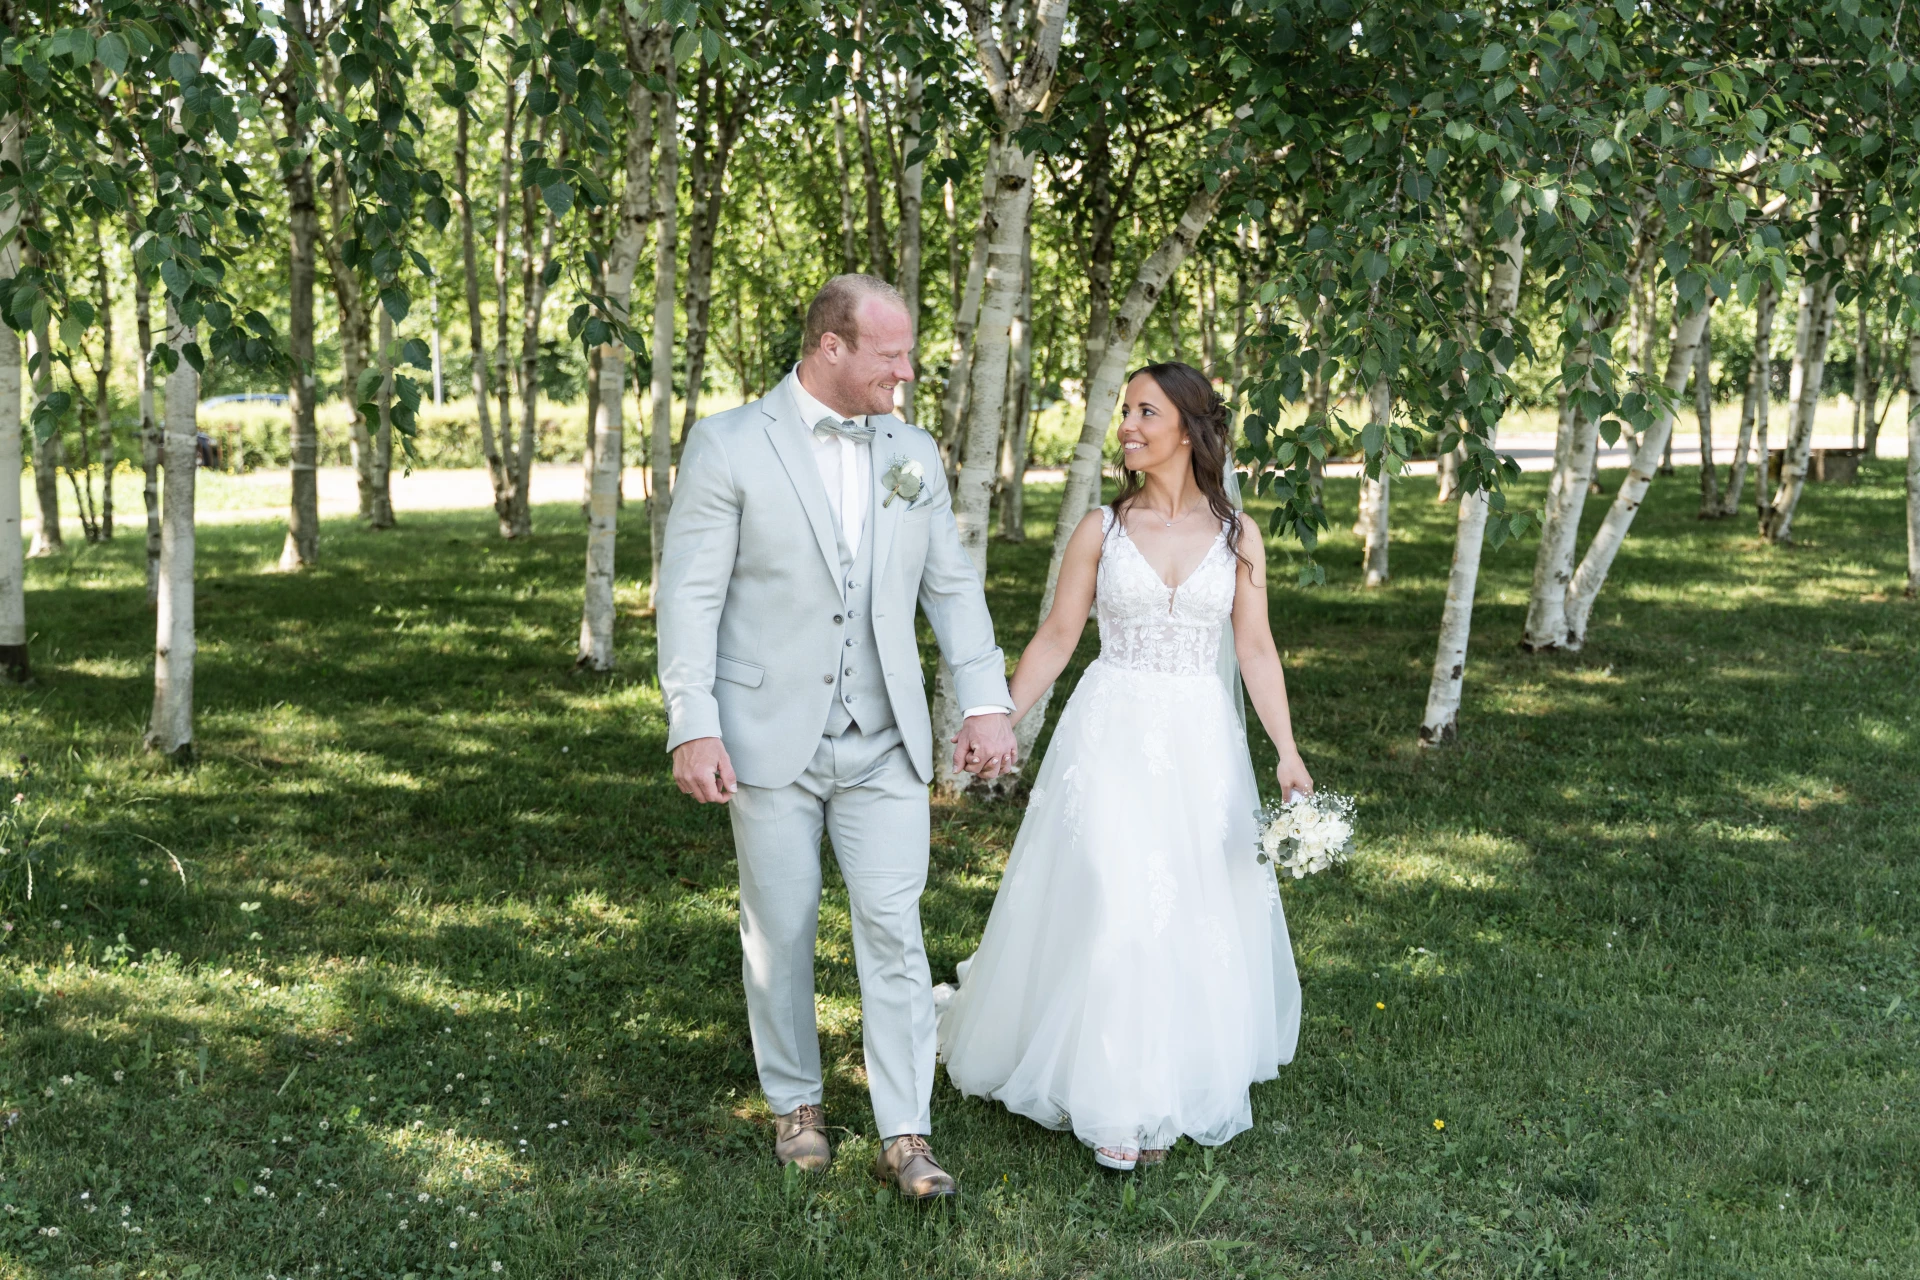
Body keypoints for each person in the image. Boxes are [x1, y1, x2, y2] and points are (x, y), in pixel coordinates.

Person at [656, 274, 1017, 1200]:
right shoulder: (730, 444)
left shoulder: (911, 453)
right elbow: (689, 598)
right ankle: (798, 1103)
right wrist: (692, 724)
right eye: (890, 355)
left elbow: (952, 587)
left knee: (894, 931)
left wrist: (985, 702)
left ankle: (906, 1131)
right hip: (765, 734)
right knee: (778, 927)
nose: (906, 370)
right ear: (831, 348)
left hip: (883, 740)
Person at [935, 361, 1310, 1171]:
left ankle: (1168, 1074)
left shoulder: (1238, 535)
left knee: (1184, 902)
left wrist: (1286, 751)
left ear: (1190, 426)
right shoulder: (1100, 530)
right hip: (1109, 731)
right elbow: (1058, 638)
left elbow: (1255, 648)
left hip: (1200, 742)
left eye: (1146, 411)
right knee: (1116, 894)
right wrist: (995, 714)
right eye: (1125, 412)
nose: (1128, 426)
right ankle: (1114, 1102)